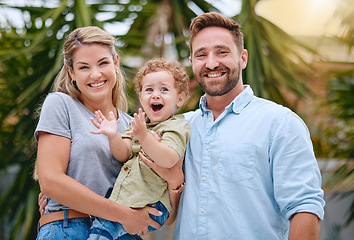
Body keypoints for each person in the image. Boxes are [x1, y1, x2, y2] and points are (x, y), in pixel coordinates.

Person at [143, 12, 325, 239]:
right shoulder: (180, 128)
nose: (211, 63)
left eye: (222, 52)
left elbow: (305, 208)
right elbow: (166, 216)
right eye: (201, 55)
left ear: (243, 58)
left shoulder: (280, 123)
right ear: (192, 63)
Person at [35, 26, 184, 239]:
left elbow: (163, 215)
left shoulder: (135, 127)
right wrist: (124, 215)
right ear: (72, 73)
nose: (95, 74)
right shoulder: (61, 105)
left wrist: (174, 182)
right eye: (84, 67)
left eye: (103, 63)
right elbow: (50, 182)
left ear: (115, 63)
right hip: (68, 229)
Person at [87, 58, 191, 240]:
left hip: (151, 204)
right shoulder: (138, 127)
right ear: (141, 97)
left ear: (180, 98)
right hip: (129, 200)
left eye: (164, 89)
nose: (155, 95)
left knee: (102, 230)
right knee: (110, 232)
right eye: (149, 90)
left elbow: (169, 158)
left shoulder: (176, 126)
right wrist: (113, 136)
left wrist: (144, 137)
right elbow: (123, 153)